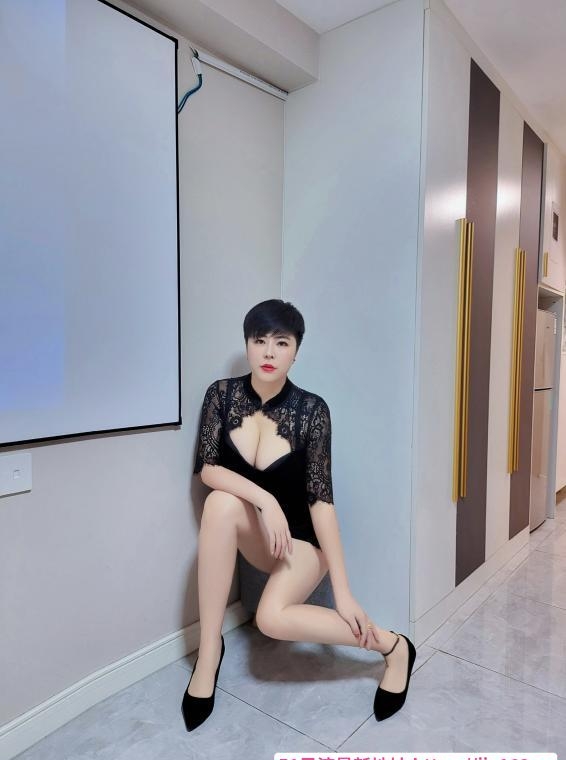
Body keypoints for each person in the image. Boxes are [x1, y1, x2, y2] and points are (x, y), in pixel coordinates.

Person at [181, 299, 416, 732]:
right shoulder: (222, 395)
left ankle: (393, 646)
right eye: (259, 341)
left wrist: (343, 592)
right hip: (261, 535)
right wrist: (265, 500)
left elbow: (321, 501)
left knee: (270, 619)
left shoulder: (312, 411)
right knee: (219, 502)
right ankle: (210, 652)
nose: (269, 352)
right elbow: (208, 469)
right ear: (247, 345)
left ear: (296, 351)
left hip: (302, 543)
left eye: (281, 342)